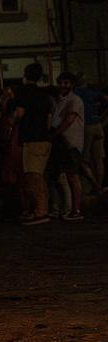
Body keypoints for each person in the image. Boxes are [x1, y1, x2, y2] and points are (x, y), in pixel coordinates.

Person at [11, 63, 55, 225]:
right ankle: (41, 209)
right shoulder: (44, 94)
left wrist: (12, 122)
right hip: (44, 137)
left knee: (33, 176)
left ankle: (41, 211)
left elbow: (20, 113)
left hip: (32, 138)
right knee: (38, 175)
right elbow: (49, 118)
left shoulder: (23, 91)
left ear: (25, 75)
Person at [51, 71, 85, 221]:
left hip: (72, 142)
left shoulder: (74, 100)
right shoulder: (60, 100)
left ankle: (76, 209)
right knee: (63, 176)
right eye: (61, 82)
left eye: (66, 83)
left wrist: (55, 133)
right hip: (62, 142)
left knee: (73, 176)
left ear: (72, 84)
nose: (63, 85)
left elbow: (70, 119)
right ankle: (68, 208)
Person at [73, 73, 108, 190]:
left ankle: (93, 186)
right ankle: (100, 184)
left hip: (85, 126)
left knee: (84, 159)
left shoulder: (76, 93)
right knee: (98, 159)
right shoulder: (93, 93)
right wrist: (102, 117)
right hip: (97, 125)